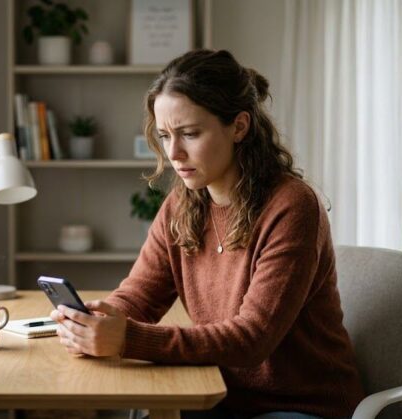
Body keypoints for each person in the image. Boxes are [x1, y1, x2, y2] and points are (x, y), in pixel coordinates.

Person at [49, 49, 365, 419]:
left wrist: (126, 338)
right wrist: (100, 318)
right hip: (219, 396)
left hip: (302, 407)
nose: (174, 153)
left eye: (190, 134)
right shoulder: (182, 205)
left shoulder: (292, 207)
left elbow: (251, 340)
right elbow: (140, 295)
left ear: (239, 126)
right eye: (165, 136)